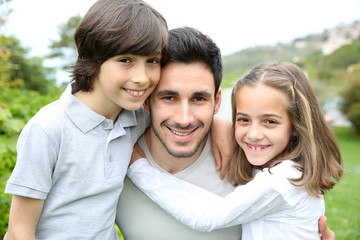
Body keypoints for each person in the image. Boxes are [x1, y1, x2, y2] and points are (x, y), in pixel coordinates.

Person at [4, 0, 168, 239]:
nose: (142, 78)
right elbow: (19, 232)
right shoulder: (49, 129)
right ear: (94, 59)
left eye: (152, 61)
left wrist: (219, 125)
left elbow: (181, 124)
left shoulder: (135, 120)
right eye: (125, 60)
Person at [127, 62, 343, 239]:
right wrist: (216, 123)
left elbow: (206, 216)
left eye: (270, 121)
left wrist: (138, 166)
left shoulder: (282, 182)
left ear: (296, 126)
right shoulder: (280, 170)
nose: (254, 134)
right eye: (243, 120)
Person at [116, 26, 241, 239]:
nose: (184, 119)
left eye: (198, 99)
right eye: (169, 98)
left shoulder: (247, 158)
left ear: (217, 101)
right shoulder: (114, 162)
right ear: (146, 100)